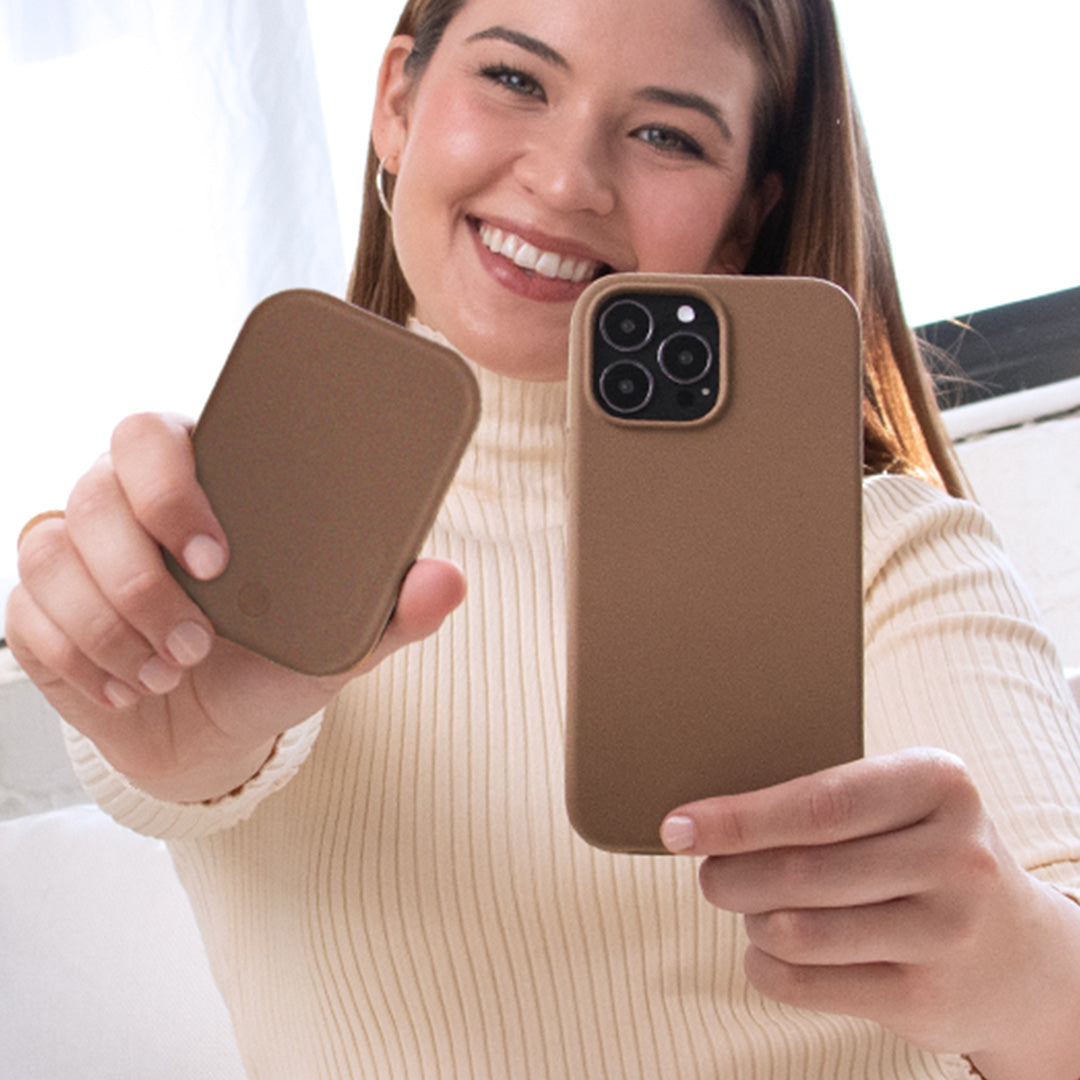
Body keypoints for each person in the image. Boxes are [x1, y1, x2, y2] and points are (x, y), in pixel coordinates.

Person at [6, 0, 1080, 1076]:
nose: (568, 181)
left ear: (745, 217)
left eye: (667, 134)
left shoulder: (888, 553)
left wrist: (1020, 964)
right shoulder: (240, 522)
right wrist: (166, 708)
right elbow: (175, 762)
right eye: (516, 80)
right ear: (397, 101)